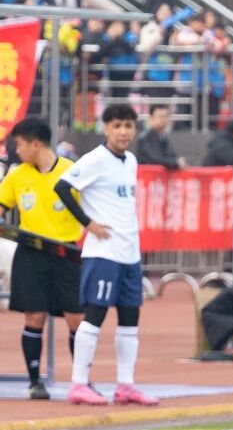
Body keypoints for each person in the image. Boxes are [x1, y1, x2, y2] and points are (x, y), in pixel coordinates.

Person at [54, 104, 158, 406]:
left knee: (130, 318)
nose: (123, 132)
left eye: (128, 126)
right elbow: (62, 187)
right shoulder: (95, 159)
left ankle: (126, 385)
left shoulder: (131, 161)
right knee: (95, 315)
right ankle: (78, 383)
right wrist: (88, 224)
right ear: (106, 128)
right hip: (103, 253)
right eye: (117, 126)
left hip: (129, 253)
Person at [0, 118, 83, 400]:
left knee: (76, 318)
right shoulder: (17, 175)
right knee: (34, 316)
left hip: (65, 254)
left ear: (35, 144)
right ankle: (35, 381)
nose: (17, 150)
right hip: (31, 253)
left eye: (20, 144)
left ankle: (80, 381)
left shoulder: (72, 171)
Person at [134, 104, 186, 169]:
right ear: (151, 118)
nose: (163, 119)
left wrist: (178, 161)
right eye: (160, 116)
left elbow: (171, 155)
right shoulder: (145, 138)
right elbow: (155, 159)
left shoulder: (163, 137)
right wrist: (176, 162)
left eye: (165, 116)